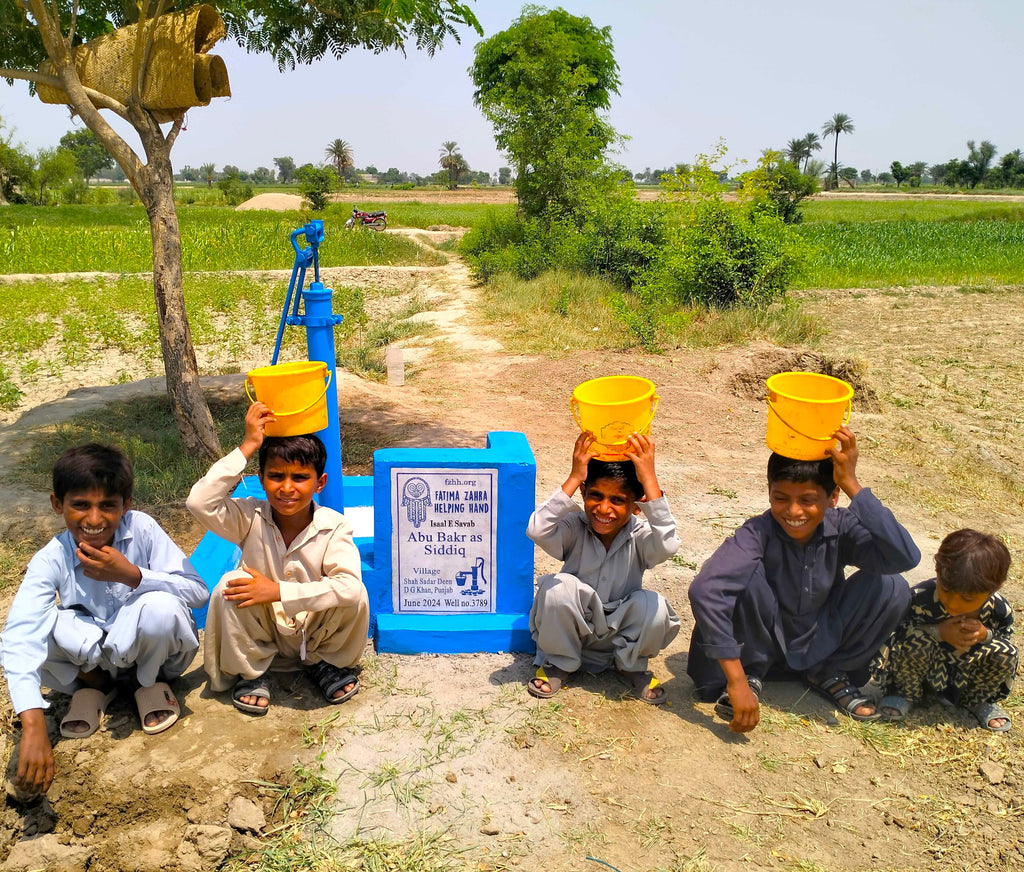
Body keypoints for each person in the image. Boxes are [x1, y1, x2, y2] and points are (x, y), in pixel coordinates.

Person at [1, 444, 207, 797]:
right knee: (37, 625)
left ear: (125, 505)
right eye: (80, 505)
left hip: (153, 655)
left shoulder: (142, 529)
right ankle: (95, 687)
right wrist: (31, 723)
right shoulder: (51, 558)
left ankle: (149, 684)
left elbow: (197, 592)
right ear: (57, 504)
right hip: (95, 660)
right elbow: (19, 635)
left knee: (161, 607)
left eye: (107, 506)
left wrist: (132, 575)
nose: (94, 520)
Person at [687, 427, 919, 732]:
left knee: (891, 587)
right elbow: (706, 590)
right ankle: (754, 675)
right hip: (760, 648)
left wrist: (851, 483)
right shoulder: (757, 532)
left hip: (820, 641)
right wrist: (737, 679)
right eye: (780, 498)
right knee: (743, 575)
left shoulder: (843, 526)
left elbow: (905, 556)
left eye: (808, 500)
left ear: (833, 496)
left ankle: (828, 671)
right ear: (769, 492)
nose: (794, 511)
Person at [187, 402, 369, 715]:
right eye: (275, 476)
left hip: (316, 633)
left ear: (319, 483)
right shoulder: (248, 515)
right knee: (230, 586)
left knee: (355, 593)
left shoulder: (334, 526)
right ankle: (255, 671)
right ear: (261, 478)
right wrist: (248, 446)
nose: (287, 488)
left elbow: (350, 589)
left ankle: (325, 664)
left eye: (300, 477)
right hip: (264, 631)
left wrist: (278, 591)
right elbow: (199, 503)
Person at [526, 430, 680, 704]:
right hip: (573, 630)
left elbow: (668, 546)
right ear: (584, 493)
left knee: (653, 604)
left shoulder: (641, 536)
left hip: (618, 637)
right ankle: (560, 664)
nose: (603, 509)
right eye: (595, 495)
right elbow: (537, 529)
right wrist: (575, 476)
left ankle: (629, 666)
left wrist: (650, 480)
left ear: (636, 506)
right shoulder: (575, 526)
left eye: (618, 500)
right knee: (556, 589)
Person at [872, 529, 1016, 732]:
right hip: (921, 678)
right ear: (937, 567)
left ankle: (978, 701)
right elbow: (893, 635)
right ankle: (903, 694)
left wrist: (985, 635)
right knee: (912, 638)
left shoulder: (999, 610)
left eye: (967, 599)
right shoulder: (918, 599)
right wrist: (936, 632)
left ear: (995, 589)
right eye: (946, 591)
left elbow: (1005, 637)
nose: (953, 604)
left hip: (965, 677)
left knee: (1006, 651)